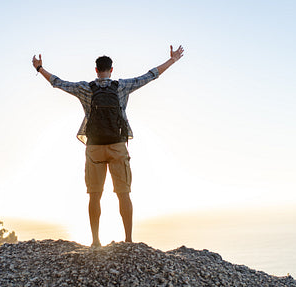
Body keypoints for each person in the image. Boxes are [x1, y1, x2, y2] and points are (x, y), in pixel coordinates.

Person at [32, 45, 184, 247]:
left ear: (96, 70)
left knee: (95, 195)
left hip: (94, 147)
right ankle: (128, 240)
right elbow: (150, 76)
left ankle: (95, 241)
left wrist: (39, 68)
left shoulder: (84, 88)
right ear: (111, 70)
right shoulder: (121, 86)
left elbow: (58, 83)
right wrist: (172, 60)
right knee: (124, 194)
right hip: (117, 146)